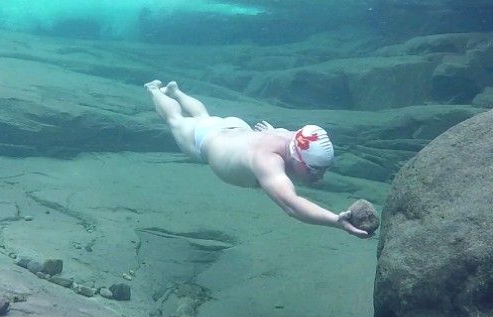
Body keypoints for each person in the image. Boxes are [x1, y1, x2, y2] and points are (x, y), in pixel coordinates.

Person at [145, 80, 370, 238]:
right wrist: (336, 221)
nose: (320, 177)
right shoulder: (267, 161)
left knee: (205, 117)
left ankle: (177, 92)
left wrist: (271, 131)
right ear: (298, 159)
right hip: (206, 141)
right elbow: (292, 206)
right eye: (314, 170)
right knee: (176, 120)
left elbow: (281, 136)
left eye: (323, 169)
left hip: (231, 128)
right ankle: (156, 90)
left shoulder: (293, 137)